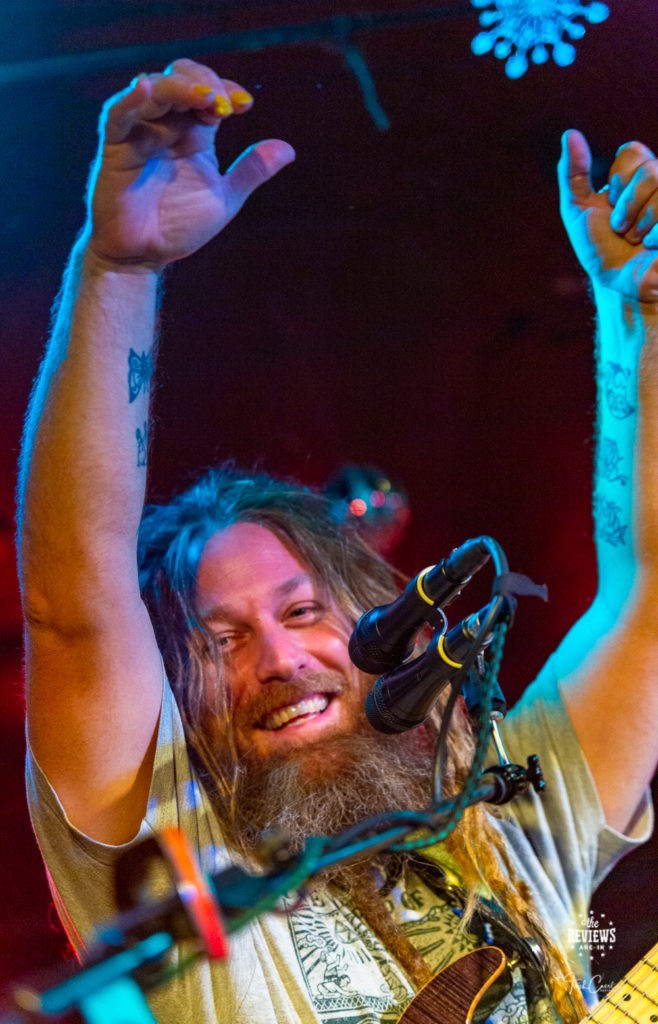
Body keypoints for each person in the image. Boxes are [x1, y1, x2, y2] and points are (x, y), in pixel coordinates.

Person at [16, 59, 658, 1024]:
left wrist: (638, 320)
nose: (277, 658)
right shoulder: (171, 865)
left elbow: (648, 593)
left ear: (381, 624)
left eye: (303, 609)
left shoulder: (504, 825)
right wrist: (118, 270)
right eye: (218, 643)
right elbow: (75, 611)